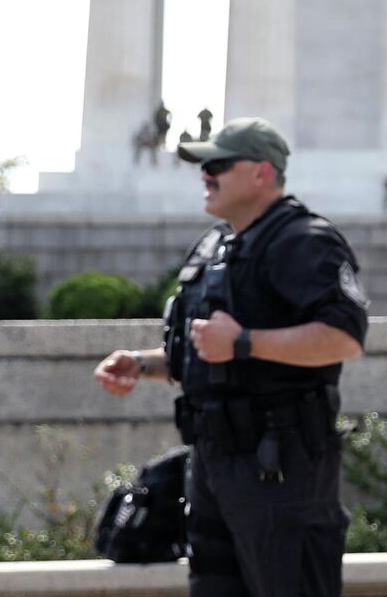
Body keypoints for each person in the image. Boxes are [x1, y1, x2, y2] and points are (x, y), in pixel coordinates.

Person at [90, 118, 370, 597]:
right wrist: (141, 365)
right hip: (211, 468)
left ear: (262, 173)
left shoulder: (304, 241)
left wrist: (245, 342)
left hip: (280, 469)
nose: (205, 174)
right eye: (203, 165)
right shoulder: (214, 246)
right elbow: (205, 352)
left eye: (217, 164)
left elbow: (344, 337)